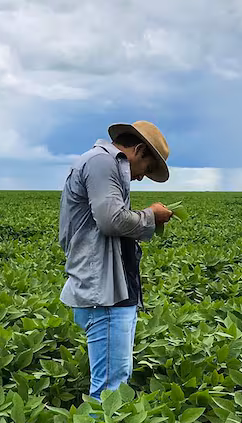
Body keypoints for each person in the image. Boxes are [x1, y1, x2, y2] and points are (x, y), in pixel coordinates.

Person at [58, 120, 174, 400]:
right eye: (146, 169)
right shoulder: (102, 163)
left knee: (114, 380)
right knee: (110, 388)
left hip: (110, 290)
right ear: (138, 150)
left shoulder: (102, 163)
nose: (141, 178)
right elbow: (112, 221)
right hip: (104, 294)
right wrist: (151, 216)